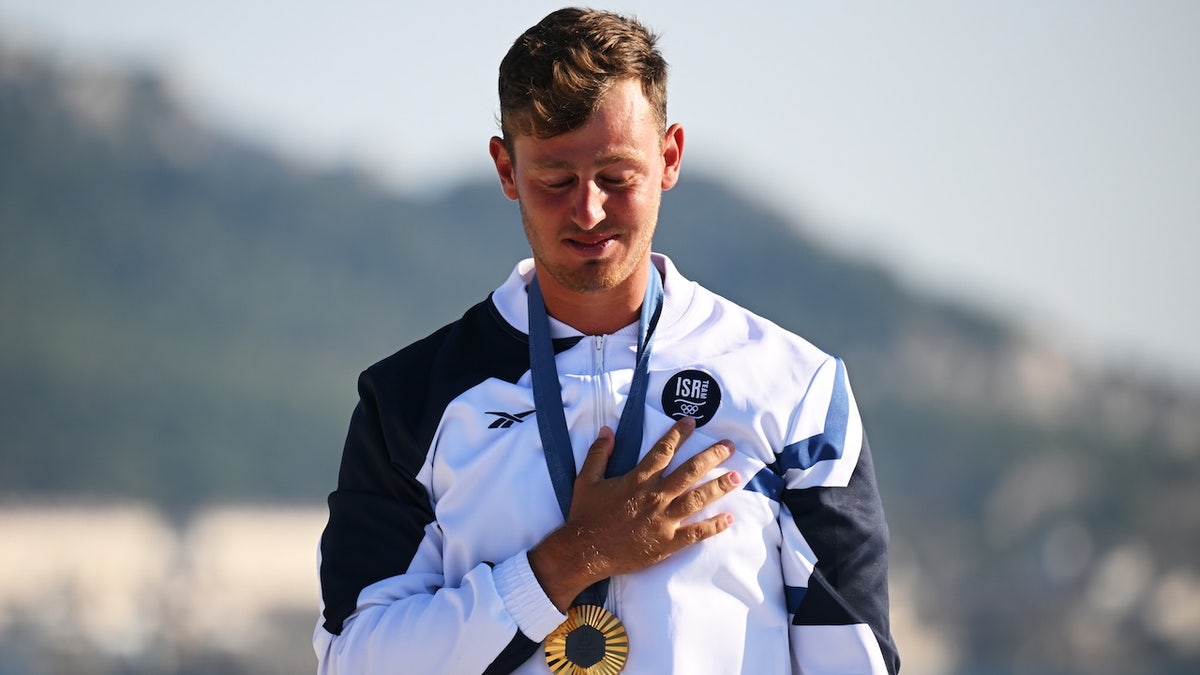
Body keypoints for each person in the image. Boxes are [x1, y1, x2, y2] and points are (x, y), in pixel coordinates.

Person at [314, 7, 899, 674]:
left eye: (616, 177)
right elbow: (355, 660)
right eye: (555, 180)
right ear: (506, 170)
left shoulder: (796, 388)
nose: (588, 211)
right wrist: (573, 557)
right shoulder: (407, 402)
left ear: (669, 156)